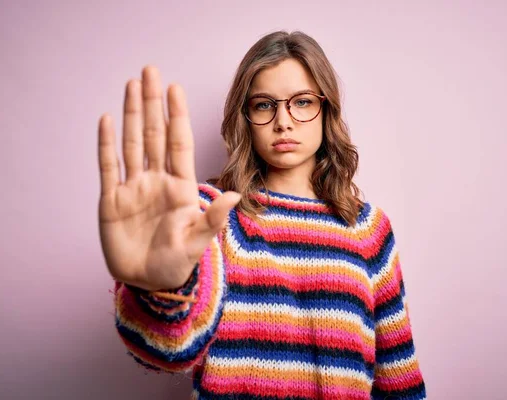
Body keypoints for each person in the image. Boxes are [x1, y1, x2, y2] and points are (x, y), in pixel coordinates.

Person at [97, 30, 426, 400]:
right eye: (264, 105)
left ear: (327, 109)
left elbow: (399, 379)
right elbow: (169, 352)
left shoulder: (368, 229)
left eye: (301, 102)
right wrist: (161, 292)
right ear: (245, 117)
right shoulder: (211, 215)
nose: (283, 121)